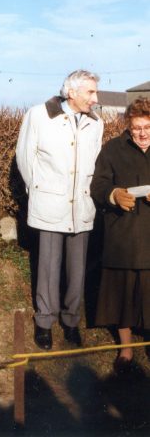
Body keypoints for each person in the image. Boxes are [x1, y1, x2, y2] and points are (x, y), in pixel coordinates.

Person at [16, 70, 103, 350]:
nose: (95, 98)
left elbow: (93, 164)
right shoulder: (39, 115)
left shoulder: (96, 123)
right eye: (90, 92)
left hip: (82, 206)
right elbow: (25, 158)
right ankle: (44, 323)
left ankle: (71, 321)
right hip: (50, 204)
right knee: (48, 267)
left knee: (76, 270)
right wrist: (41, 191)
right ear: (72, 92)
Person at [90, 97, 150, 372]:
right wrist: (113, 195)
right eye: (137, 127)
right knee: (122, 296)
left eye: (147, 127)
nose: (142, 133)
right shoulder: (113, 149)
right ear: (128, 125)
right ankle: (126, 349)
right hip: (123, 236)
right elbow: (98, 185)